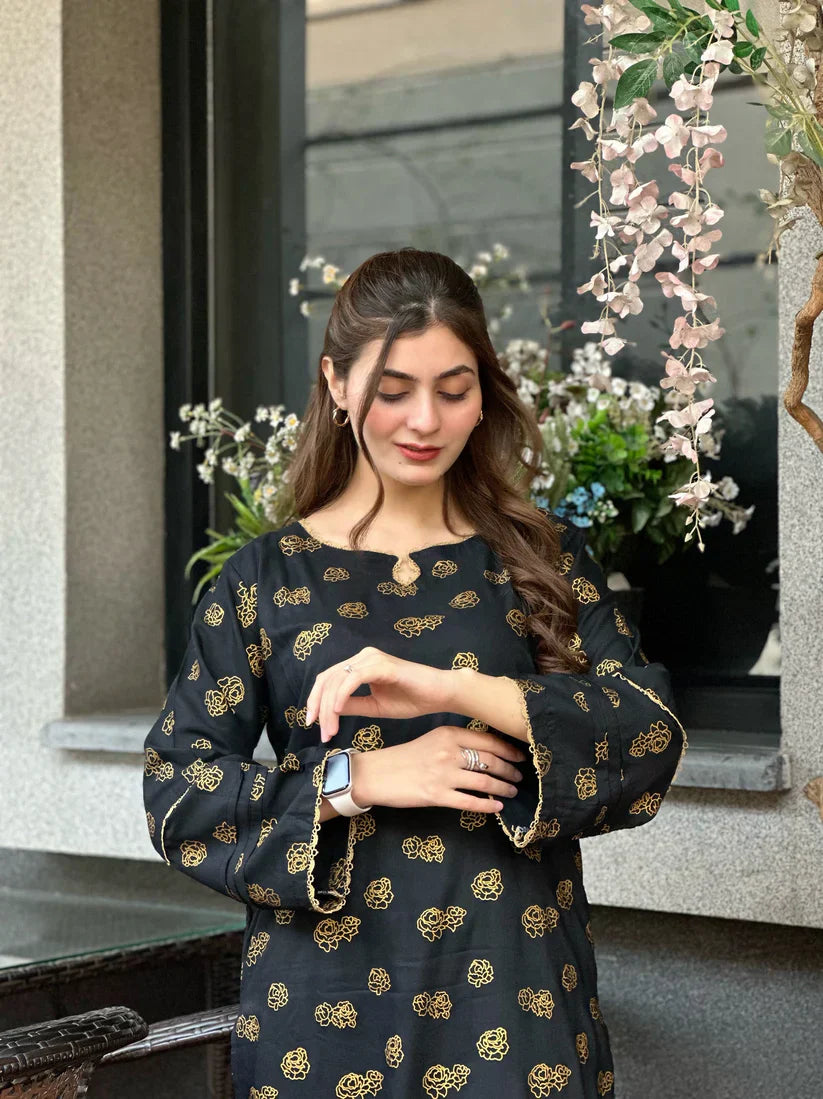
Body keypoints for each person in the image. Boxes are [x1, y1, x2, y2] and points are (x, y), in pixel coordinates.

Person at [143, 247, 688, 1098]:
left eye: (453, 389)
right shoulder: (263, 579)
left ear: (484, 394)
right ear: (336, 383)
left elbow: (647, 730)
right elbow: (178, 789)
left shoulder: (539, 559)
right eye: (392, 390)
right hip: (321, 1004)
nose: (423, 419)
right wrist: (356, 778)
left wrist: (454, 689)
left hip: (514, 994)